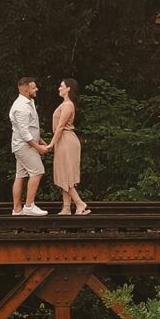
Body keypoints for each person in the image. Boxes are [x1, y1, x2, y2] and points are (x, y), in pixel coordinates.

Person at [9, 77, 52, 216]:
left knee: (20, 175)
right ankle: (29, 206)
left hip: (23, 144)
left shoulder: (29, 102)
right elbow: (24, 133)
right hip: (24, 146)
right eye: (34, 88)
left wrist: (40, 140)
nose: (36, 89)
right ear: (26, 90)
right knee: (37, 172)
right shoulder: (21, 107)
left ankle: (17, 209)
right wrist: (37, 147)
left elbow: (31, 127)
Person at [50, 78, 89, 216]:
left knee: (66, 174)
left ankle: (79, 203)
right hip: (63, 140)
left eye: (62, 86)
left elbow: (61, 126)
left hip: (66, 140)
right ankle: (66, 208)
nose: (59, 88)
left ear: (68, 88)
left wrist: (51, 143)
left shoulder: (67, 105)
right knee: (63, 173)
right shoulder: (65, 104)